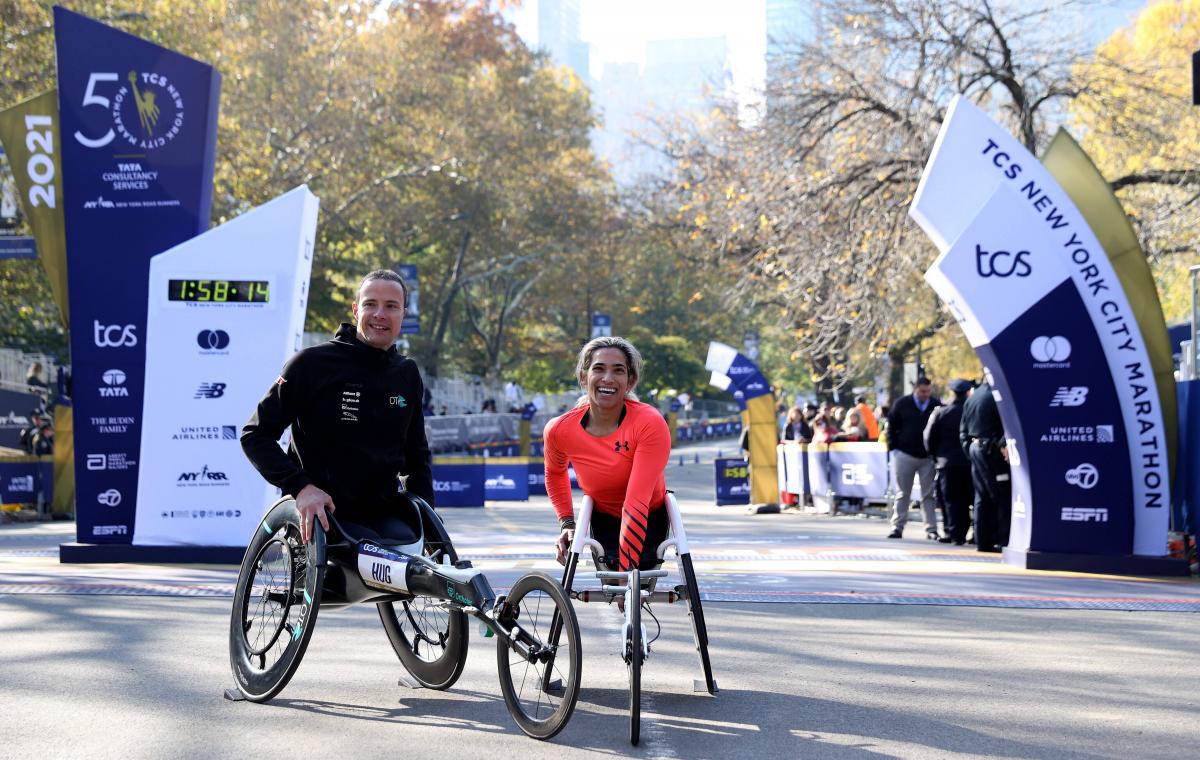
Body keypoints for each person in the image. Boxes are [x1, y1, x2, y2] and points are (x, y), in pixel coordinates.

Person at [241, 269, 433, 545]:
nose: (380, 314)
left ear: (403, 314)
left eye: (391, 306)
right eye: (370, 304)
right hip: (324, 513)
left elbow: (417, 459)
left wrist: (429, 524)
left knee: (412, 560)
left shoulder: (407, 373)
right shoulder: (311, 364)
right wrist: (302, 488)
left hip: (383, 515)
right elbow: (255, 435)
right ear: (356, 310)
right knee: (371, 555)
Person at [544, 337, 671, 573]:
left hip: (648, 515)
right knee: (613, 587)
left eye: (618, 370)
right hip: (602, 517)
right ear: (584, 377)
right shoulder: (559, 429)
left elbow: (636, 502)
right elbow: (554, 472)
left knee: (636, 585)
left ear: (630, 380)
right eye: (599, 369)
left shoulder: (649, 422)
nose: (608, 378)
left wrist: (626, 573)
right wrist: (567, 523)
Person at [886, 377, 942, 540]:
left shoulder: (935, 404)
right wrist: (894, 449)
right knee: (903, 493)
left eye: (928, 391)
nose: (926, 394)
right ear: (915, 390)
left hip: (927, 457)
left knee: (928, 495)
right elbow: (891, 426)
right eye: (922, 391)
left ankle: (931, 529)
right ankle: (897, 527)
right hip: (905, 454)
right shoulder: (902, 404)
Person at [960, 380, 1010, 553]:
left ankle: (983, 541)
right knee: (1002, 496)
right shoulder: (997, 396)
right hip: (991, 451)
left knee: (981, 497)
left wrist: (970, 451)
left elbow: (963, 430)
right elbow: (1006, 425)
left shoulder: (973, 398)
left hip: (976, 449)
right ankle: (1004, 540)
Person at [925, 379, 973, 545]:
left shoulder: (941, 412)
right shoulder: (970, 412)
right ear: (967, 393)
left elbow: (929, 438)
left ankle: (954, 533)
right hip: (969, 461)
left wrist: (935, 456)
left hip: (947, 462)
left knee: (950, 500)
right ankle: (974, 533)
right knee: (971, 499)